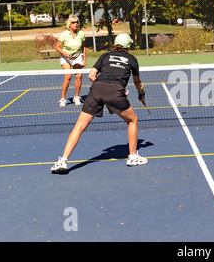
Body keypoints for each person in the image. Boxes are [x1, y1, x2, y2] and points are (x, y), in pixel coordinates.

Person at [51, 33, 148, 173]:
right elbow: (137, 82)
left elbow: (91, 75)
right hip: (115, 91)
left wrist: (103, 86)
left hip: (96, 89)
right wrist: (141, 94)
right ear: (128, 47)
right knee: (133, 120)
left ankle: (62, 161)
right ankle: (133, 157)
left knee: (79, 126)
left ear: (115, 45)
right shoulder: (132, 59)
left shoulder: (105, 56)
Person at [55, 14, 87, 107]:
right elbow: (57, 47)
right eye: (73, 22)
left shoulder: (81, 34)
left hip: (77, 56)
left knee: (79, 76)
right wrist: (65, 53)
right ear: (69, 24)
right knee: (68, 76)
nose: (75, 24)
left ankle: (76, 97)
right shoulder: (64, 34)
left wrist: (84, 59)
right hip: (66, 57)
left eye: (77, 22)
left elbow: (84, 47)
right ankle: (63, 99)